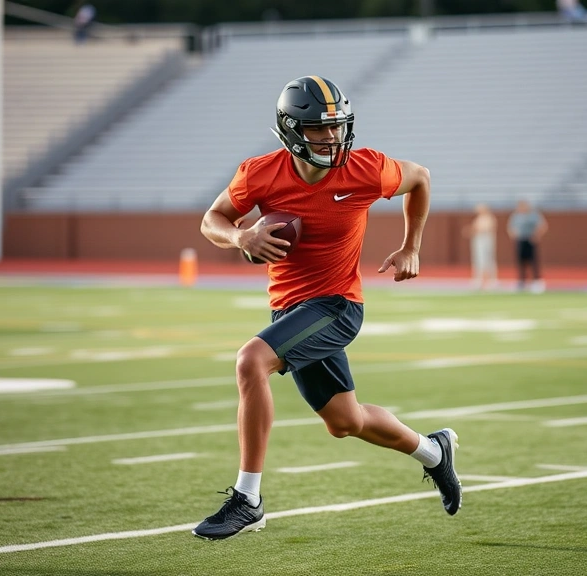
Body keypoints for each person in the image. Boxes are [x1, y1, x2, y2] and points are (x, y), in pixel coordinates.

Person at [193, 76, 461, 540]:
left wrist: (410, 246)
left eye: (337, 127)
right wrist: (241, 236)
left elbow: (421, 178)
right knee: (345, 422)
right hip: (290, 310)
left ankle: (248, 499)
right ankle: (435, 452)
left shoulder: (365, 168)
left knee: (250, 361)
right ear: (292, 129)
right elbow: (212, 219)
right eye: (319, 129)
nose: (331, 138)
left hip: (337, 305)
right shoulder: (259, 172)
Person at [507, 200, 548, 292]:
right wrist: (513, 234)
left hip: (530, 240)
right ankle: (522, 281)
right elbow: (510, 227)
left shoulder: (533, 215)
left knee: (533, 261)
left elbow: (542, 225)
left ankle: (537, 282)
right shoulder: (516, 216)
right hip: (520, 240)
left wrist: (536, 235)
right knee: (521, 262)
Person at [464, 203, 498, 290]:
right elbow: (475, 229)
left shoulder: (489, 218)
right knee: (478, 260)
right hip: (478, 240)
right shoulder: (478, 219)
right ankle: (478, 280)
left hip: (486, 240)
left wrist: (474, 230)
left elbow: (485, 229)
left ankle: (491, 280)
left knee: (488, 260)